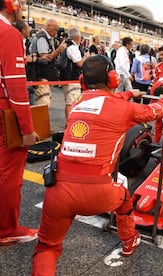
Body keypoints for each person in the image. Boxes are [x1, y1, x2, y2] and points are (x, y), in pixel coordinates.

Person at [31, 55, 163, 275]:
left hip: (57, 191)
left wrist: (128, 94)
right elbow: (155, 111)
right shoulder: (123, 109)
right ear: (113, 79)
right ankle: (129, 242)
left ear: (82, 81)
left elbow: (102, 101)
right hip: (98, 193)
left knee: (47, 248)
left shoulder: (77, 104)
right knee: (124, 197)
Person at [0, 0, 39, 246]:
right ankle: (7, 228)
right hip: (4, 113)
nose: (22, 8)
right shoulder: (8, 34)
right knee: (10, 174)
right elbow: (15, 86)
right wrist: (26, 129)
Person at [30, 18, 66, 106]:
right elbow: (45, 58)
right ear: (48, 26)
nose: (56, 32)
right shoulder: (42, 38)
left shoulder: (48, 38)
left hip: (45, 76)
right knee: (43, 104)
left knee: (45, 102)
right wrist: (59, 49)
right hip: (41, 75)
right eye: (55, 29)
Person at [60, 27, 90, 119]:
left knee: (71, 101)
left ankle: (69, 122)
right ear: (78, 38)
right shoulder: (73, 48)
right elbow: (80, 63)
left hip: (69, 78)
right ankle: (70, 123)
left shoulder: (69, 46)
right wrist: (85, 56)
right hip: (71, 79)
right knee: (72, 102)